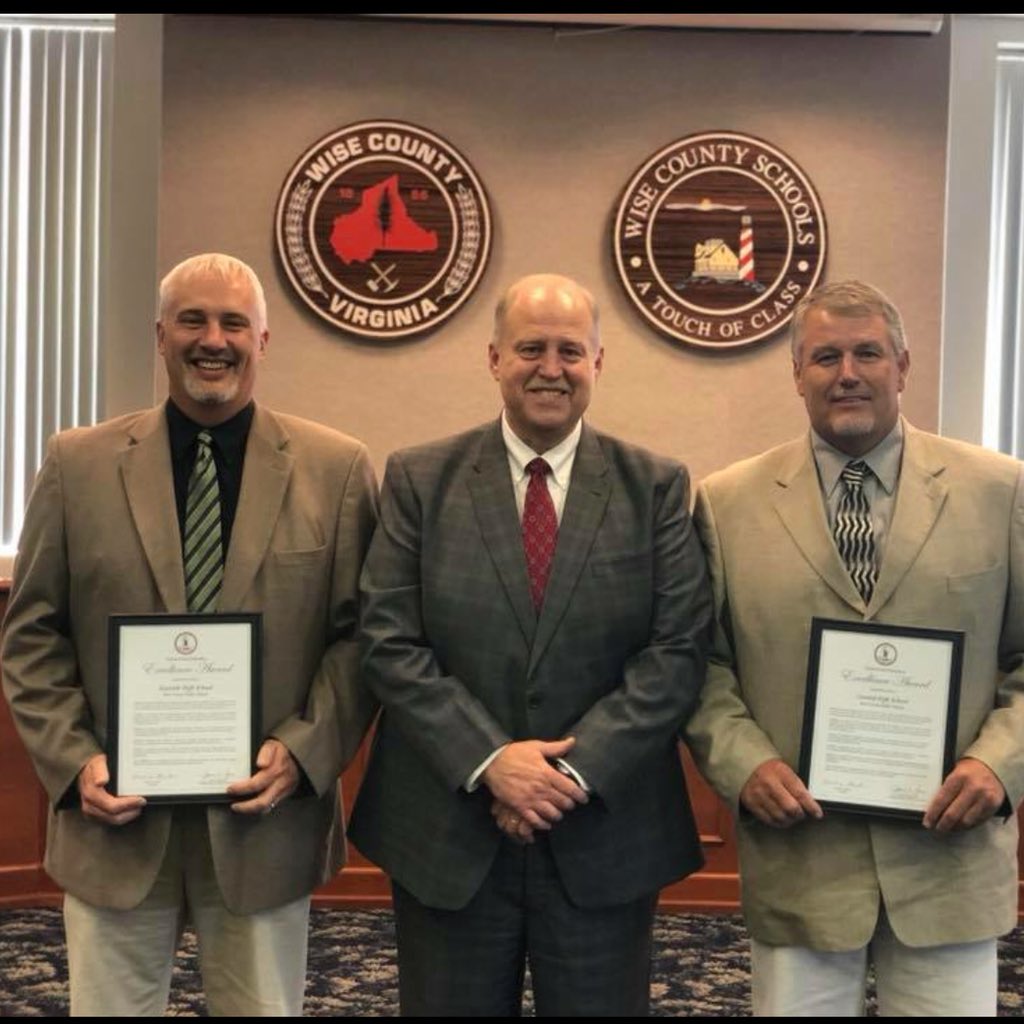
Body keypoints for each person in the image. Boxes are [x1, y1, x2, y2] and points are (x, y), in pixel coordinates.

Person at [1, 253, 379, 1015]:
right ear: (161, 335)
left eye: (234, 322)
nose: (214, 339)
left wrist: (304, 753)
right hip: (115, 820)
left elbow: (363, 639)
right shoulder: (78, 464)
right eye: (193, 320)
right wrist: (76, 765)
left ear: (263, 340)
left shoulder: (336, 469)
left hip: (262, 821)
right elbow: (32, 635)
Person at [348, 272, 711, 1016]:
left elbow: (675, 653)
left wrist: (565, 776)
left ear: (599, 363)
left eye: (571, 351)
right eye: (531, 349)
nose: (551, 367)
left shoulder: (658, 487)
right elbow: (388, 639)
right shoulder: (420, 479)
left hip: (603, 834)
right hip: (448, 832)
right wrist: (491, 761)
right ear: (493, 359)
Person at [687, 279, 1024, 1016]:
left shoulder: (1002, 491)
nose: (847, 372)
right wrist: (746, 765)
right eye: (826, 356)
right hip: (802, 852)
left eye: (868, 352)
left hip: (949, 858)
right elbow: (702, 664)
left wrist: (998, 763)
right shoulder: (725, 501)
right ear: (797, 375)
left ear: (902, 366)